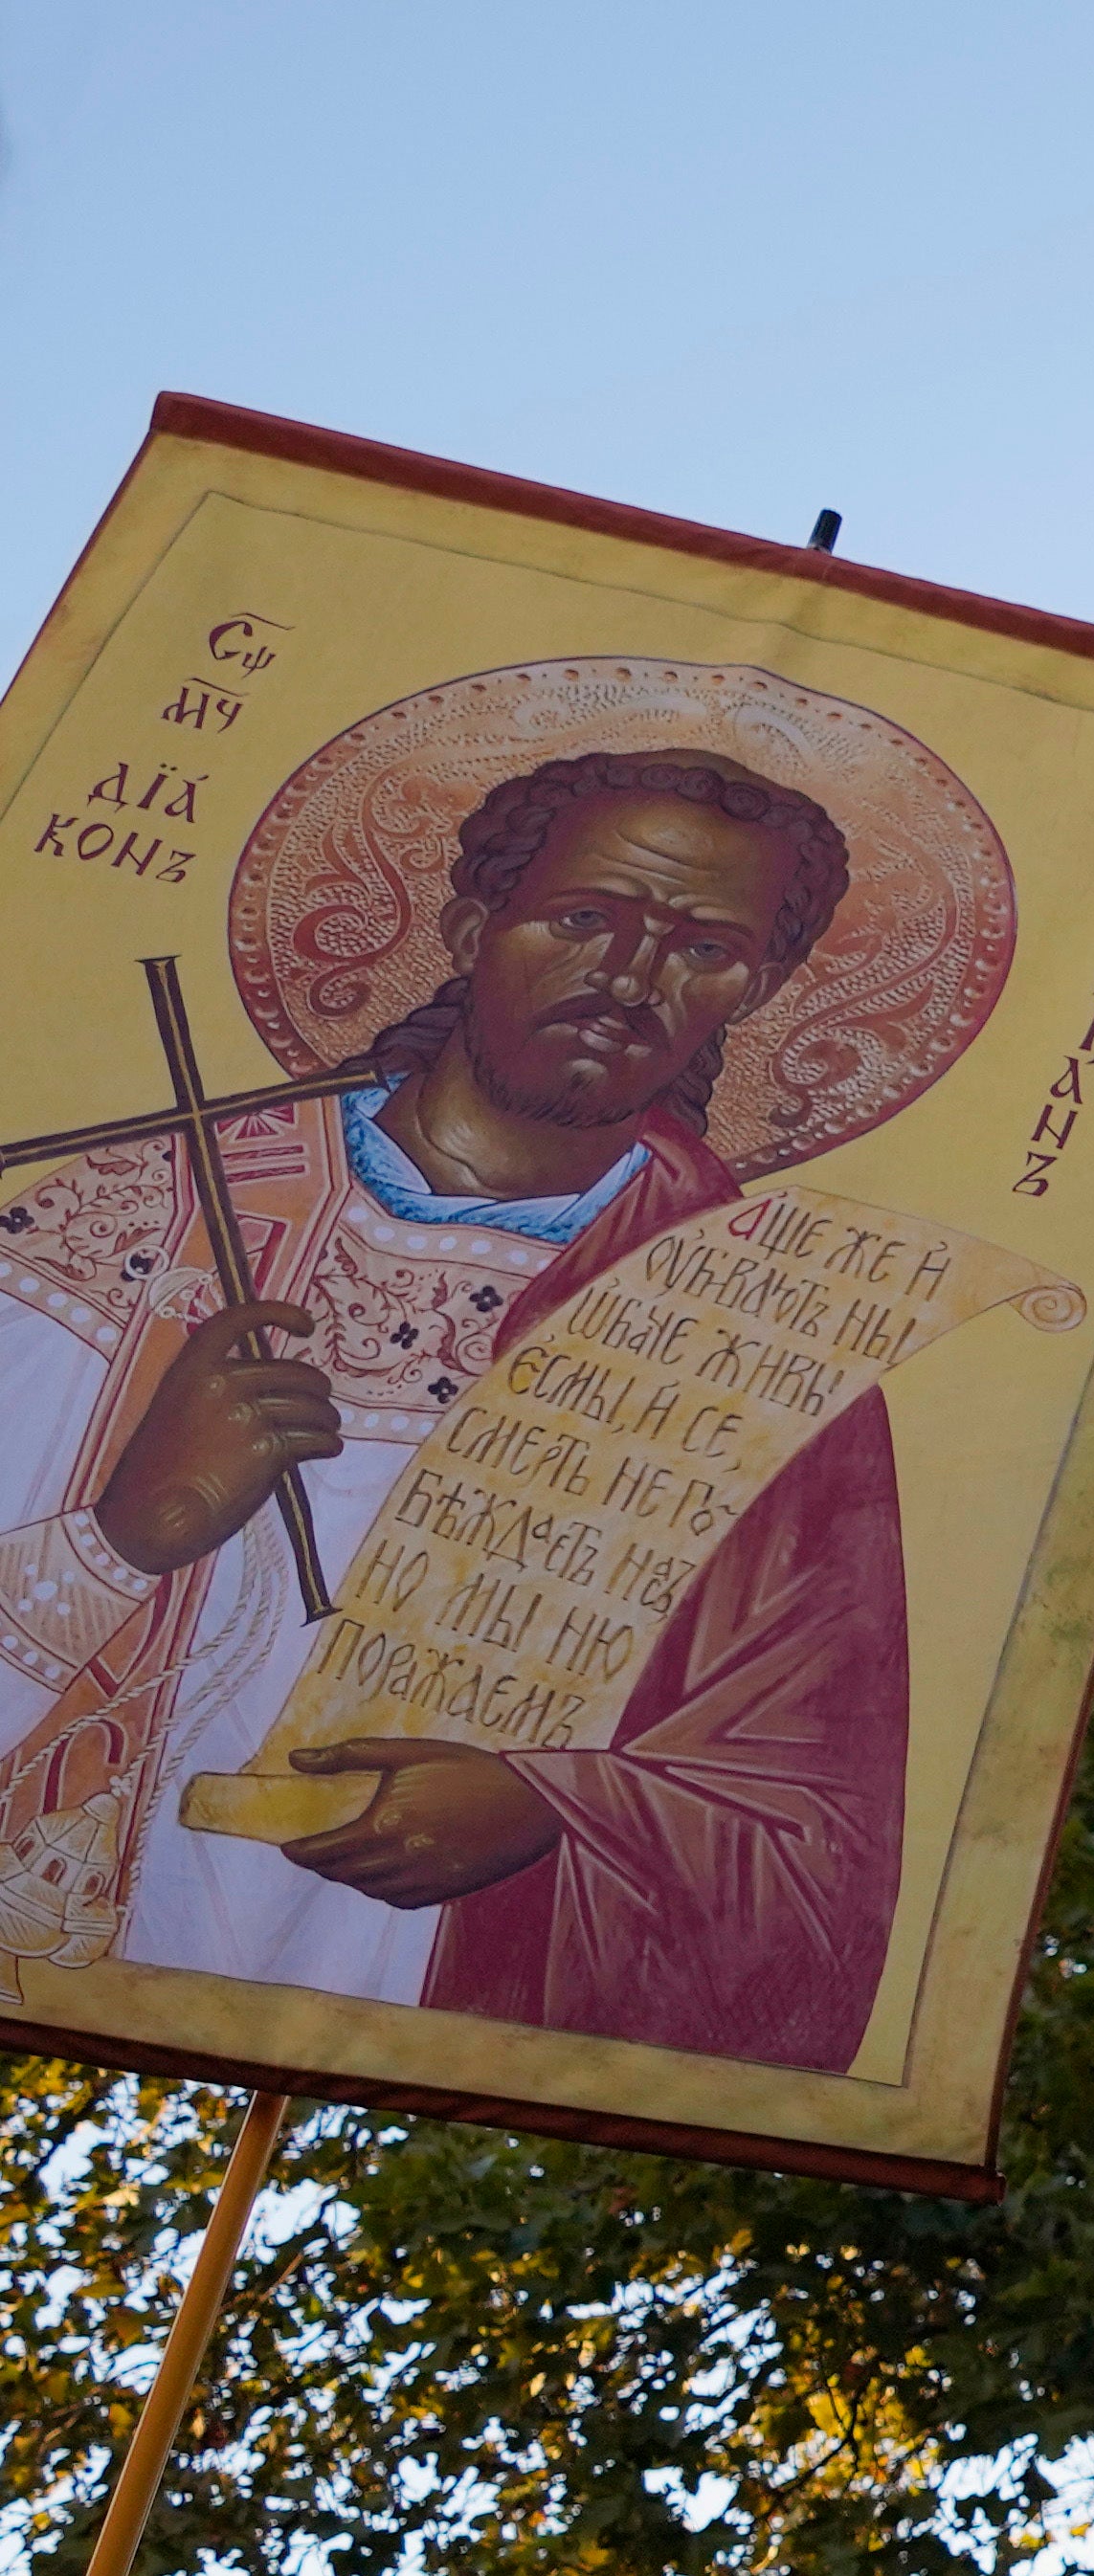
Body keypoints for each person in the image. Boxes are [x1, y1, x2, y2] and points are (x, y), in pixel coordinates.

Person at [0, 741, 914, 2051]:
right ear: (474, 925)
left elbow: (820, 1823)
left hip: (398, 2013)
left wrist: (556, 1805)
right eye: (584, 917)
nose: (630, 977)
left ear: (756, 988)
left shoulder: (753, 1341)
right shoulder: (130, 1217)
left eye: (701, 946)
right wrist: (122, 1537)